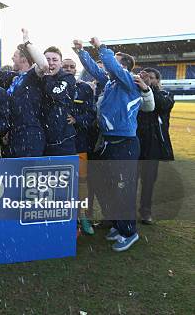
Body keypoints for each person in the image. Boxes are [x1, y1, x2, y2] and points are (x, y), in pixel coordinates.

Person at [74, 37, 154, 252]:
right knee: (110, 189)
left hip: (124, 144)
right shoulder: (111, 82)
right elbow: (95, 69)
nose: (107, 66)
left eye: (115, 63)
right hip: (110, 143)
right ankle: (119, 225)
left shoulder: (129, 82)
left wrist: (101, 48)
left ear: (123, 67)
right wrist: (81, 52)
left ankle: (130, 232)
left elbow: (109, 66)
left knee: (123, 190)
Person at [137, 68, 174, 224]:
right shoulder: (136, 93)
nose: (148, 80)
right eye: (144, 77)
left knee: (148, 181)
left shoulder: (165, 95)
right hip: (135, 142)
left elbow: (162, 105)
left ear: (158, 80)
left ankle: (145, 212)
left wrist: (147, 88)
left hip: (153, 145)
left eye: (151, 77)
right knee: (128, 180)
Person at [63, 58, 96, 235]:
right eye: (65, 66)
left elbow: (91, 115)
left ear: (76, 69)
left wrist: (77, 120)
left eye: (72, 66)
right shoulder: (54, 87)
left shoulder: (84, 89)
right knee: (63, 186)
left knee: (81, 185)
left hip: (79, 145)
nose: (68, 69)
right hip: (59, 145)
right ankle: (69, 222)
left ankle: (83, 218)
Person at [5, 29, 49, 157]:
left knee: (28, 174)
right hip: (15, 133)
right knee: (15, 175)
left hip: (30, 134)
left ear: (23, 59)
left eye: (15, 56)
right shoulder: (16, 79)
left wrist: (27, 43)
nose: (12, 58)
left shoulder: (32, 75)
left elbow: (44, 65)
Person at [41, 47, 77, 156]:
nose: (51, 63)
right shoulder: (36, 77)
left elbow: (56, 93)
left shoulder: (68, 77)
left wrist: (47, 75)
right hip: (41, 139)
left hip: (63, 141)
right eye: (47, 60)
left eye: (55, 60)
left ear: (60, 63)